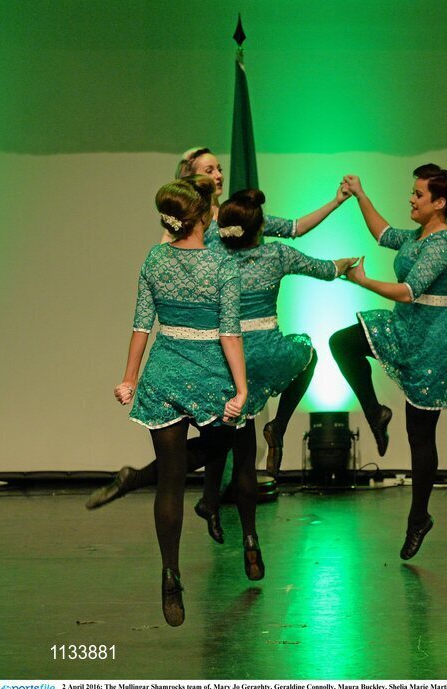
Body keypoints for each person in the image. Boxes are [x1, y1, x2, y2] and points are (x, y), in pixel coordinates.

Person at [86, 155, 351, 513]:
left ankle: (196, 498)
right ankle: (208, 505)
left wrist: (336, 201)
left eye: (219, 168)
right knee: (222, 445)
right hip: (214, 352)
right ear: (190, 181)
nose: (218, 174)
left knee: (222, 447)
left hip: (227, 346)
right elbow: (170, 280)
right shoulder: (196, 229)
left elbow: (293, 227)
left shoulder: (232, 216)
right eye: (208, 170)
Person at [190, 189, 356, 551]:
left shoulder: (212, 252)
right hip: (266, 354)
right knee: (308, 353)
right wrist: (344, 265)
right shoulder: (275, 253)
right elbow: (325, 270)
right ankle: (277, 426)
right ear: (260, 228)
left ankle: (210, 500)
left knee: (221, 433)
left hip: (225, 358)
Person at [114, 176, 247, 626]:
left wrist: (129, 379)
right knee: (217, 450)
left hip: (165, 371)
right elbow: (230, 333)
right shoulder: (222, 265)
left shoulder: (154, 258)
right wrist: (243, 389)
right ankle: (209, 501)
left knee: (169, 480)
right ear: (206, 217)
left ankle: (170, 573)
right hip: (210, 375)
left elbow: (141, 326)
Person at [329, 164, 447, 561]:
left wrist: (363, 282)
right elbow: (383, 233)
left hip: (430, 344)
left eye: (419, 195)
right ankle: (375, 412)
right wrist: (360, 193)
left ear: (439, 203)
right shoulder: (419, 235)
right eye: (413, 192)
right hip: (403, 328)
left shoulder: (443, 244)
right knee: (343, 343)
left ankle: (419, 517)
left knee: (420, 437)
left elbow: (408, 291)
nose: (412, 199)